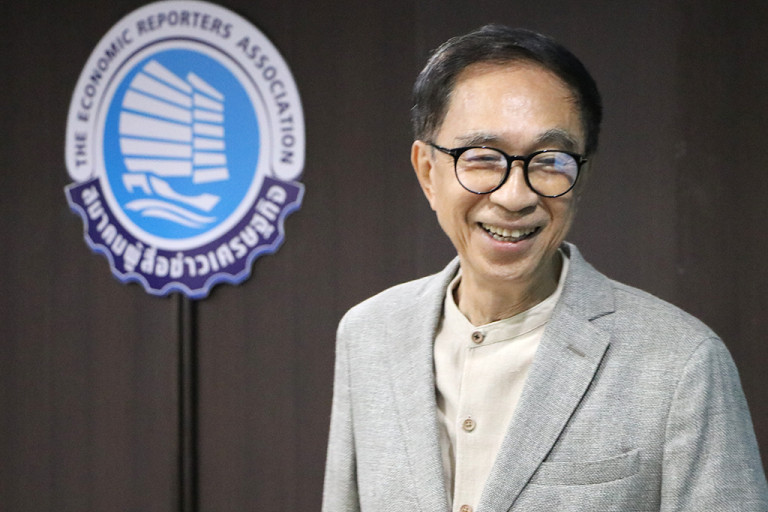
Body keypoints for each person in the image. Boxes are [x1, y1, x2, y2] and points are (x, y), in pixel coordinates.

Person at [321, 25, 768, 512]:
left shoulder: (682, 362)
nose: (515, 196)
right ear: (428, 172)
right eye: (482, 157)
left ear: (583, 175)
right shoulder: (369, 335)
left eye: (550, 160)